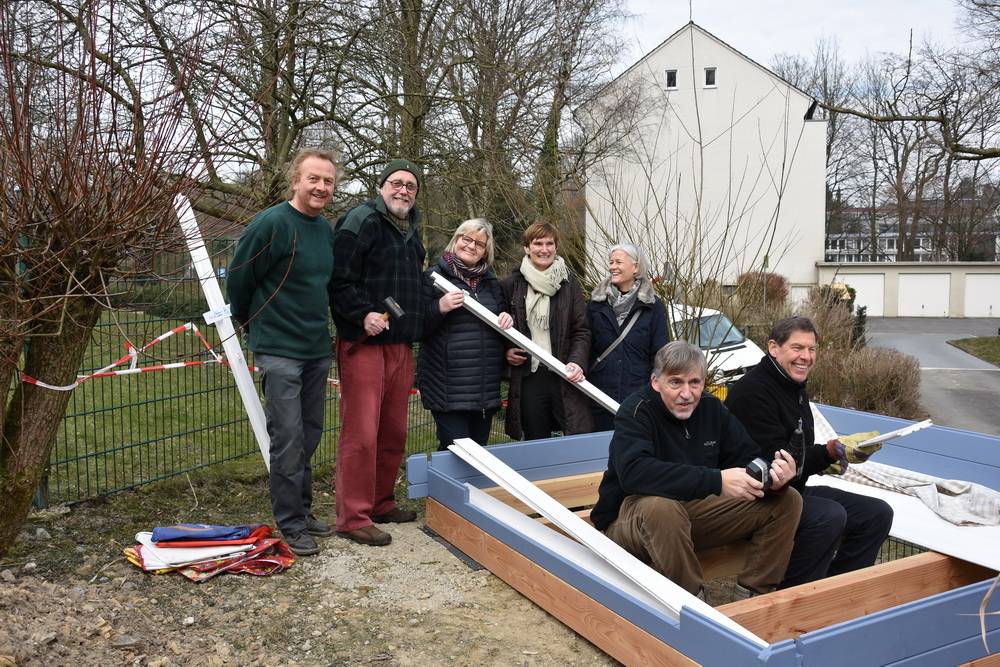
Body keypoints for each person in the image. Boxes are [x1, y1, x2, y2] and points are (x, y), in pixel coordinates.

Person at [591, 341, 802, 598]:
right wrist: (716, 480)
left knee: (788, 501)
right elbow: (634, 473)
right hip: (629, 520)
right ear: (656, 382)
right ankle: (691, 603)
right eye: (676, 382)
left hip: (690, 514)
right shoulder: (636, 411)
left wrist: (772, 477)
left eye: (695, 383)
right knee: (661, 508)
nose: (687, 393)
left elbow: (749, 456)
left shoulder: (712, 409)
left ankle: (752, 594)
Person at [227, 148, 338, 557]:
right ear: (296, 181)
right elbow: (240, 277)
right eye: (313, 179)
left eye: (327, 181)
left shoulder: (325, 230)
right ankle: (290, 522)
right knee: (288, 437)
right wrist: (249, 321)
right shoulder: (271, 223)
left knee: (309, 434)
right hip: (278, 347)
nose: (321, 187)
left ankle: (304, 512)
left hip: (314, 347)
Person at [726, 316, 894, 587]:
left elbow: (798, 454)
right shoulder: (753, 393)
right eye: (797, 348)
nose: (806, 356)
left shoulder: (793, 386)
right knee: (828, 516)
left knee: (876, 513)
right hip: (755, 503)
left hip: (792, 491)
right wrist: (829, 452)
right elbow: (778, 464)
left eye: (812, 349)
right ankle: (793, 599)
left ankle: (836, 593)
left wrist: (837, 456)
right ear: (773, 347)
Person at [330, 159, 426, 547]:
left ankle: (381, 502)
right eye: (397, 183)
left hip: (399, 342)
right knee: (362, 433)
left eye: (411, 186)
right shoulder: (361, 221)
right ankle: (353, 517)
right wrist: (361, 314)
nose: (404, 190)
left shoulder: (412, 232)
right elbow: (337, 280)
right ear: (382, 186)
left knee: (393, 430)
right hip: (365, 342)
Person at [418, 219, 513, 450]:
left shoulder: (491, 283)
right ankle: (443, 488)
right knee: (455, 454)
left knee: (480, 455)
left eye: (479, 244)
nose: (471, 246)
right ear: (456, 239)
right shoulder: (433, 277)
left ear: (485, 251)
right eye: (466, 239)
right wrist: (439, 307)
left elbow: (500, 327)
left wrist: (507, 320)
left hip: (485, 391)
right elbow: (417, 326)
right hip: (448, 391)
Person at [502, 221, 593, 440]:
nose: (544, 249)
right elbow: (499, 329)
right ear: (526, 248)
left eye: (549, 243)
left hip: (564, 374)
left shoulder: (569, 283)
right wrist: (506, 352)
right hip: (529, 377)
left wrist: (577, 362)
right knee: (536, 441)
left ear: (556, 247)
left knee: (577, 437)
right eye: (538, 243)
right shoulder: (511, 284)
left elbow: (581, 330)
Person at [586, 243, 669, 431]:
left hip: (638, 395)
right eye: (611, 262)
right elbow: (586, 345)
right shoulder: (595, 304)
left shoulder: (653, 306)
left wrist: (656, 390)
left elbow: (660, 353)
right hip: (600, 394)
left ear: (636, 267)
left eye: (618, 262)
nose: (612, 267)